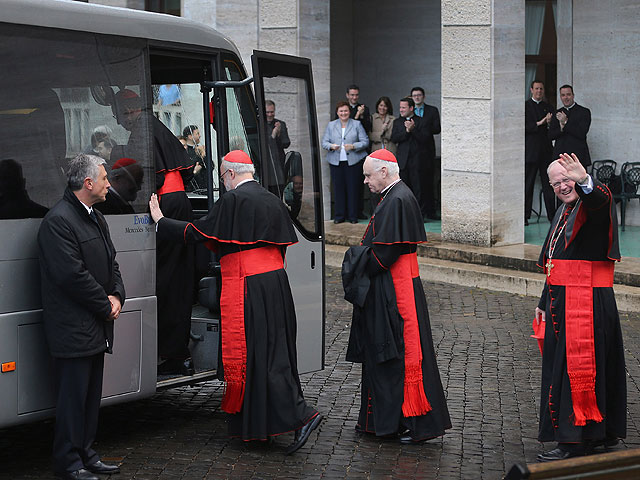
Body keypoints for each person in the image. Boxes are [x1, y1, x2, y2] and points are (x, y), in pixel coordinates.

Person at [149, 150, 322, 454]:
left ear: (229, 174)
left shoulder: (233, 200)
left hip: (249, 286)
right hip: (275, 285)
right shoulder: (271, 199)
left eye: (222, 178)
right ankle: (259, 428)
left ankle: (302, 416)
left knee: (261, 358)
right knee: (267, 354)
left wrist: (162, 221)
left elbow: (198, 232)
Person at [342, 148, 451, 444]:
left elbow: (385, 254)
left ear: (384, 172)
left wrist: (356, 261)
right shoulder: (393, 197)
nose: (365, 181)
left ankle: (407, 423)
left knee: (398, 354)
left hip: (396, 288)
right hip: (394, 284)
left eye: (368, 175)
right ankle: (387, 421)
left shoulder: (398, 199)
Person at [38, 154, 125, 480]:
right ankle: (69, 462)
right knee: (72, 400)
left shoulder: (96, 218)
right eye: (104, 179)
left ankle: (87, 453)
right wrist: (105, 305)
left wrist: (117, 295)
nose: (108, 184)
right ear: (88, 183)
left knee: (89, 400)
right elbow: (71, 276)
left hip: (93, 325)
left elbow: (111, 262)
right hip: (73, 327)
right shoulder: (58, 222)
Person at [534, 153, 626, 462]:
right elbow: (554, 263)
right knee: (589, 368)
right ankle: (599, 433)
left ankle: (576, 440)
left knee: (578, 370)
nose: (562, 186)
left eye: (567, 179)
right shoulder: (563, 210)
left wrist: (586, 180)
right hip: (563, 298)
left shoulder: (591, 203)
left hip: (587, 302)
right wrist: (543, 302)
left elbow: (600, 203)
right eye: (556, 182)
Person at [111, 88, 195, 376]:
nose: (120, 120)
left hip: (165, 206)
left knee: (165, 280)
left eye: (120, 114)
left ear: (128, 110)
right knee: (177, 277)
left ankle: (172, 352)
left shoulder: (141, 130)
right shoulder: (155, 124)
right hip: (178, 202)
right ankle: (175, 351)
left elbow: (136, 180)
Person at [322, 101, 369, 224]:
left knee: (353, 189)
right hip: (336, 162)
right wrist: (331, 146)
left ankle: (353, 216)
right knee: (338, 189)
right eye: (341, 111)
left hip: (353, 162)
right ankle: (339, 216)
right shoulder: (331, 125)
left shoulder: (356, 124)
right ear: (337, 112)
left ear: (349, 112)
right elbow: (324, 142)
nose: (344, 113)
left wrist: (353, 146)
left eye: (346, 111)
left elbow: (365, 141)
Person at [390, 97, 430, 216]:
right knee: (402, 189)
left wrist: (413, 129)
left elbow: (425, 139)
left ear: (411, 108)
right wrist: (407, 131)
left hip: (417, 161)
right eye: (400, 107)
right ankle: (403, 214)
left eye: (404, 107)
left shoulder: (422, 121)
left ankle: (418, 215)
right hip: (403, 161)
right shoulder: (397, 122)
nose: (401, 110)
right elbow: (394, 138)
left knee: (418, 189)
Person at [525, 80, 556, 223]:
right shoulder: (525, 106)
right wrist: (540, 123)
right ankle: (525, 216)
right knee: (528, 185)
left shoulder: (548, 107)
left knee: (549, 185)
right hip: (530, 152)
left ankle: (552, 216)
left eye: (541, 89)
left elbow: (554, 130)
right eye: (536, 89)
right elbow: (524, 127)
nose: (539, 91)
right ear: (531, 90)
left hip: (545, 152)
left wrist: (549, 124)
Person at [410, 87, 441, 220]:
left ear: (424, 96)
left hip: (428, 150)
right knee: (417, 183)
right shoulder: (409, 110)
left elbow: (437, 129)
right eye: (414, 96)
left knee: (429, 181)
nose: (417, 98)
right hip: (414, 150)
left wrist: (422, 127)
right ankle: (419, 212)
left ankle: (431, 211)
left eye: (419, 95)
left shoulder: (432, 110)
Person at [549, 85, 592, 169]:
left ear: (573, 95)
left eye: (568, 94)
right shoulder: (557, 113)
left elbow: (581, 133)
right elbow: (550, 135)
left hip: (577, 157)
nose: (566, 98)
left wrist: (565, 122)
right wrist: (561, 128)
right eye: (563, 95)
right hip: (560, 158)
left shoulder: (584, 112)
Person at [264, 100, 291, 197]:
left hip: (278, 162)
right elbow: (265, 143)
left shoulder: (280, 124)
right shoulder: (260, 124)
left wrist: (279, 134)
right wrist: (273, 134)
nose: (270, 115)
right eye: (267, 112)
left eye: (272, 112)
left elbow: (286, 143)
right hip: (266, 162)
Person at [182, 125, 207, 190]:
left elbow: (211, 166)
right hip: (190, 188)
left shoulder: (200, 149)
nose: (199, 136)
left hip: (203, 186)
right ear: (190, 136)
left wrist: (204, 155)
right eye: (197, 133)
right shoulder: (185, 150)